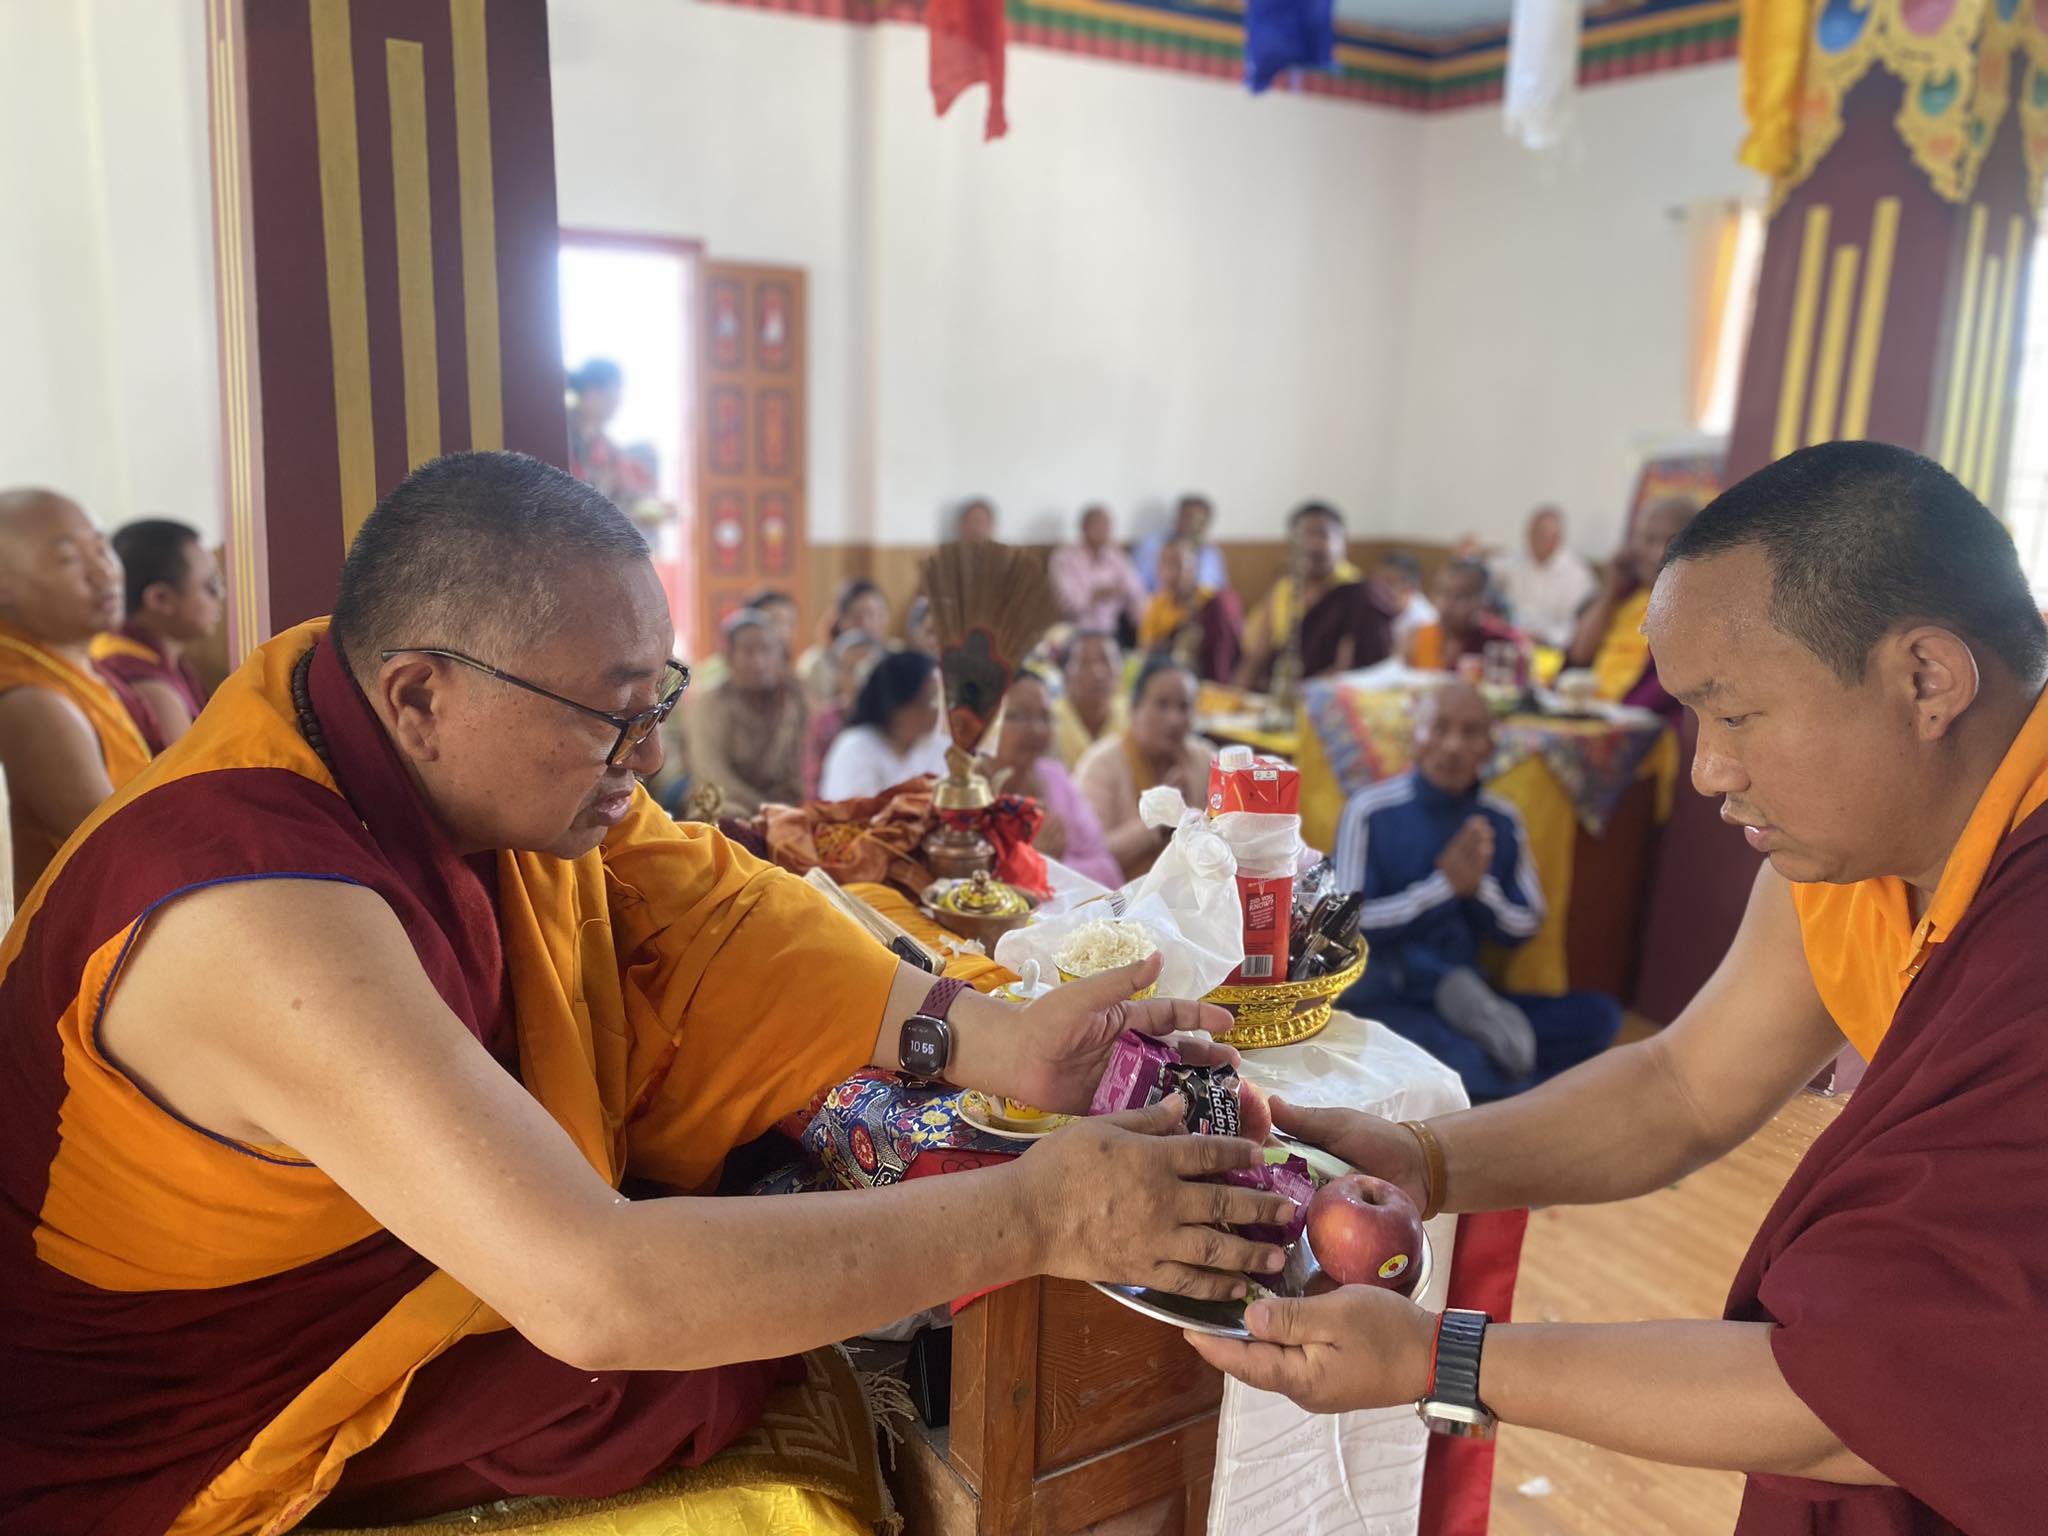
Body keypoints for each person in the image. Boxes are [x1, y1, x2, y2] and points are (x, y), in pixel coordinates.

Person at [0, 452, 1298, 1534]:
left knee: (738, 1312)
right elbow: (598, 1292)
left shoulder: (373, 715)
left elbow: (716, 909)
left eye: (658, 696)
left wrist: (1005, 1040)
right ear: (419, 693)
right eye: (615, 715)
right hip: (169, 1422)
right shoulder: (260, 910)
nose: (655, 754)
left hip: (372, 1283)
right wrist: (1039, 1218)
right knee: (706, 1378)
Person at [1186, 441, 2048, 1533]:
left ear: (1924, 679)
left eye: (1733, 716)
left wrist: (1447, 1357)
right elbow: (1685, 1084)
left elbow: (1886, 1390)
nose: (1705, 771)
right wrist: (1427, 1160)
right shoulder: (1867, 840)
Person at [1333, 682, 1619, 1100]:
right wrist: (1441, 889)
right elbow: (1348, 926)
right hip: (1391, 999)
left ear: (1490, 746)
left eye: (1470, 734)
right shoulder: (1372, 811)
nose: (1452, 746)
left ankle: (1504, 1078)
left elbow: (1526, 922)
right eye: (1440, 728)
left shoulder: (1499, 819)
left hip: (1470, 993)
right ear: (1415, 734)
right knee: (1474, 1067)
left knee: (1601, 1017)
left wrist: (1478, 889)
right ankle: (1524, 1088)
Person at [0, 489, 154, 895]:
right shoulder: (30, 700)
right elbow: (124, 851)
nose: (104, 574)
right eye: (68, 560)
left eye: (101, 549)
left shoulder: (74, 667)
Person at [1076, 655, 1217, 881]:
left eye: (1184, 707)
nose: (1174, 719)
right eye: (1162, 704)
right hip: (1117, 902)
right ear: (1134, 708)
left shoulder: (1205, 759)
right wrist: (1159, 822)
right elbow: (1090, 855)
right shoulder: (1101, 764)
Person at [92, 518, 223, 750]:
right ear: (160, 599)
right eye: (210, 585)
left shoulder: (165, 660)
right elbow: (188, 779)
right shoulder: (150, 688)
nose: (220, 595)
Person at [1236, 503, 1396, 690]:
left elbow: (1347, 672)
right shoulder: (1284, 587)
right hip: (1276, 694)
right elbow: (1256, 657)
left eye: (1323, 534)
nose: (1313, 545)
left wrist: (1297, 696)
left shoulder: (1360, 594)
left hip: (1325, 701)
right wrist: (1232, 700)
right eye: (1304, 535)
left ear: (1345, 543)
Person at [987, 671, 1122, 888]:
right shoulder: (971, 790)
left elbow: (1105, 865)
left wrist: (1052, 865)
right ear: (988, 720)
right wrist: (1031, 862)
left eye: (1044, 717)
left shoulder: (1055, 777)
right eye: (1021, 716)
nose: (1036, 729)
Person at [1567, 497, 1697, 718]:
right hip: (1590, 711)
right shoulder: (1627, 593)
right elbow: (1580, 655)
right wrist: (1609, 593)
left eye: (1670, 541)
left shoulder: (1693, 607)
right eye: (1648, 540)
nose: (1657, 553)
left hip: (1638, 727)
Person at [680, 608, 808, 816]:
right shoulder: (711, 703)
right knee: (720, 814)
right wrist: (765, 809)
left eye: (766, 650)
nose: (759, 662)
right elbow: (713, 775)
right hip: (724, 799)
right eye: (748, 651)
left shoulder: (795, 700)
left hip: (786, 805)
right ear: (729, 657)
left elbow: (806, 766)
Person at [817, 649, 951, 801]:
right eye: (929, 699)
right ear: (900, 705)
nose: (936, 709)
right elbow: (850, 812)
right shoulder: (855, 748)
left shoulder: (942, 749)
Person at [1404, 559, 1531, 682]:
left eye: (1458, 597)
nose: (1446, 605)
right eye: (1441, 593)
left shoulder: (1503, 643)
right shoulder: (1419, 637)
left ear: (1482, 600)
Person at [1138, 537, 1244, 684]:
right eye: (1164, 564)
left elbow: (1224, 652)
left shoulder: (1212, 603)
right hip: (1167, 679)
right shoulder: (1157, 604)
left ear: (1193, 567)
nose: (1170, 572)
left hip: (1205, 679)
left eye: (1177, 564)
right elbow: (1146, 649)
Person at [1492, 505, 1595, 651]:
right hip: (1510, 641)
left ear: (1559, 539)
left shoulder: (1578, 576)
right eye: (1536, 533)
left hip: (1553, 648)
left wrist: (1543, 638)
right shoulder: (1510, 561)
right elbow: (1485, 577)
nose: (1540, 540)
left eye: (1547, 536)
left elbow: (1576, 625)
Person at [802, 628, 885, 801]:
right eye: (850, 670)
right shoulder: (825, 721)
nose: (859, 679)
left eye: (867, 670)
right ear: (838, 677)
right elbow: (813, 781)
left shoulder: (893, 721)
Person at [565, 358, 654, 515]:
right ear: (591, 392)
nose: (616, 401)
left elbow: (629, 489)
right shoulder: (560, 433)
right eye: (613, 392)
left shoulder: (608, 447)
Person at [1049, 504, 1148, 642]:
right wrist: (1097, 594)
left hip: (1114, 631)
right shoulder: (1064, 558)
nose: (1104, 531)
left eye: (1107, 526)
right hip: (1077, 632)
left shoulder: (1116, 557)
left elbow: (1136, 592)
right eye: (1098, 526)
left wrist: (1147, 628)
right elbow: (1069, 603)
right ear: (1084, 527)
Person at [798, 579, 889, 704]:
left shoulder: (893, 655)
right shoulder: (816, 663)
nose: (865, 623)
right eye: (857, 616)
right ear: (840, 620)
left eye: (873, 615)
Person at [1053, 629, 1128, 767]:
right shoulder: (1049, 721)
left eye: (1105, 661)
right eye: (1084, 663)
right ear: (1065, 676)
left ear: (1119, 672)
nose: (1097, 672)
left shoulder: (1133, 719)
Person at [1133, 493, 1230, 597]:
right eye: (1188, 517)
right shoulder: (1151, 546)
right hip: (1162, 607)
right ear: (1177, 517)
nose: (1192, 524)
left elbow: (1222, 590)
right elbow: (1137, 589)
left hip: (1204, 609)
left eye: (1200, 521)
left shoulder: (1211, 553)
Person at [1371, 552, 1437, 658]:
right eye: (1379, 581)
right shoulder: (1377, 606)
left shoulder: (1425, 621)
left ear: (1410, 588)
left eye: (1389, 582)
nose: (1380, 588)